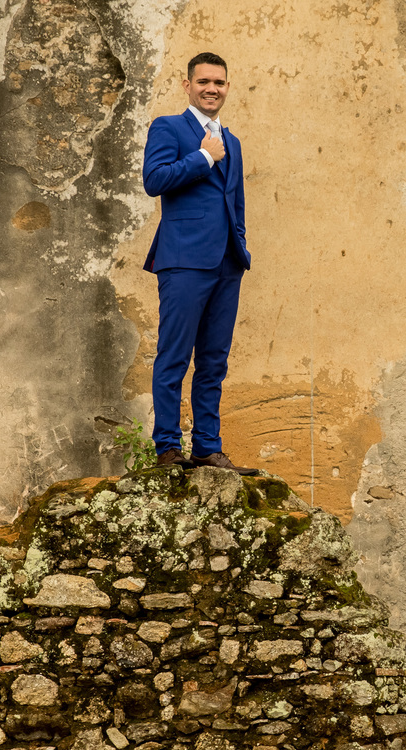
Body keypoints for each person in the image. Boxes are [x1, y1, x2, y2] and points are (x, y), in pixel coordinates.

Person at [141, 52, 258, 476]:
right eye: (204, 81)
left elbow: (235, 202)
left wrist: (240, 248)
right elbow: (154, 180)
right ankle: (168, 448)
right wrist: (204, 158)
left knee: (214, 360)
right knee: (174, 355)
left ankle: (208, 447)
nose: (212, 89)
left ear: (227, 87)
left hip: (227, 263)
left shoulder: (234, 141)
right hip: (184, 260)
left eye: (220, 82)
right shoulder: (169, 127)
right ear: (187, 85)